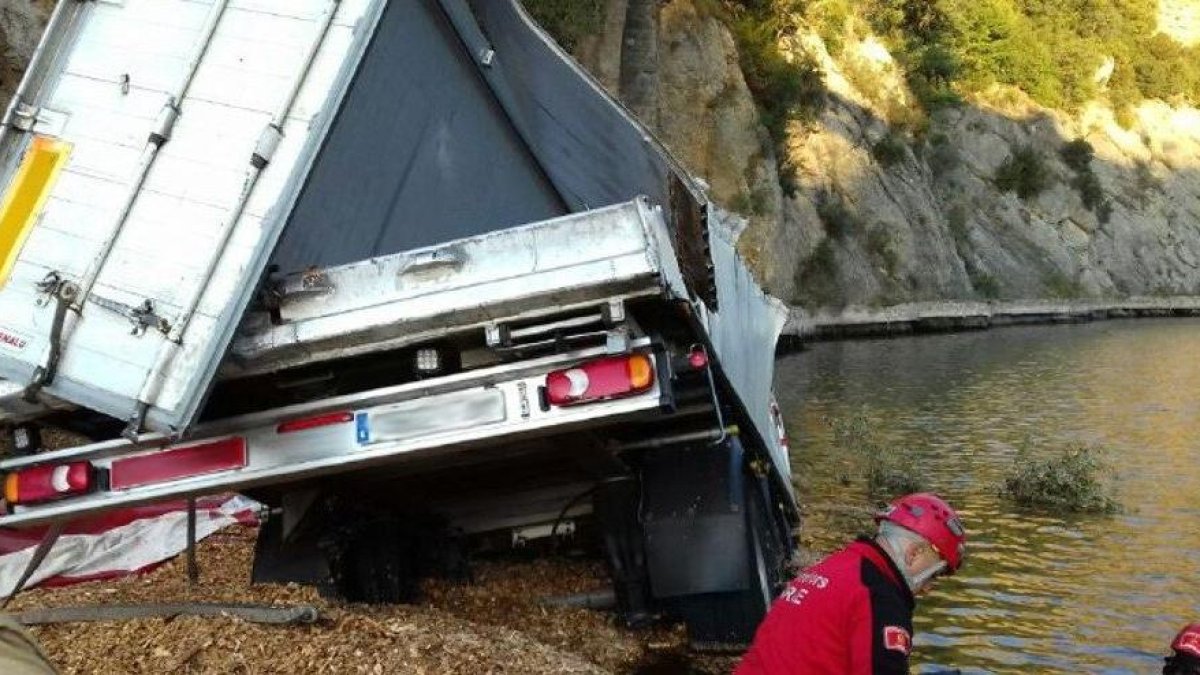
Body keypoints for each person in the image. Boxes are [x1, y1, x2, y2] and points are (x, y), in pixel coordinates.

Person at [736, 492, 967, 674]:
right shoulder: (881, 599)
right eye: (933, 575)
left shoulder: (837, 565)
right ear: (914, 554)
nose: (928, 587)